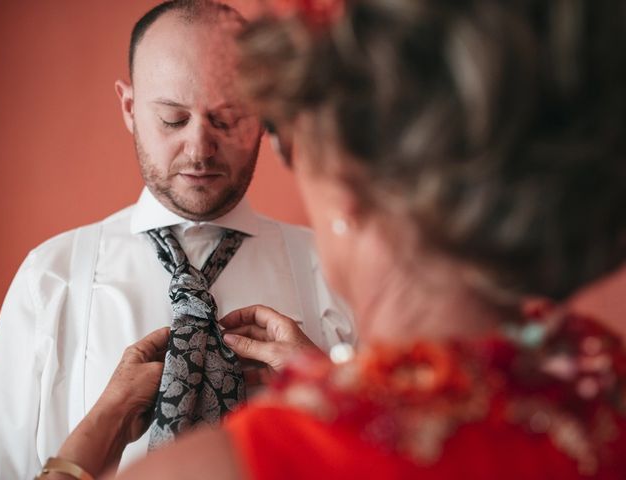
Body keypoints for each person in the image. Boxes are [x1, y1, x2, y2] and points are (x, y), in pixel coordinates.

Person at [38, 0, 626, 478]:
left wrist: (93, 440)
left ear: (348, 186)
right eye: (172, 119)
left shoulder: (225, 466)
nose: (199, 147)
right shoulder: (603, 376)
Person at [0, 1, 355, 478]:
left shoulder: (332, 268)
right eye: (173, 120)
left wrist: (336, 391)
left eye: (226, 119)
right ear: (129, 108)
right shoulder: (50, 279)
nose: (200, 149)